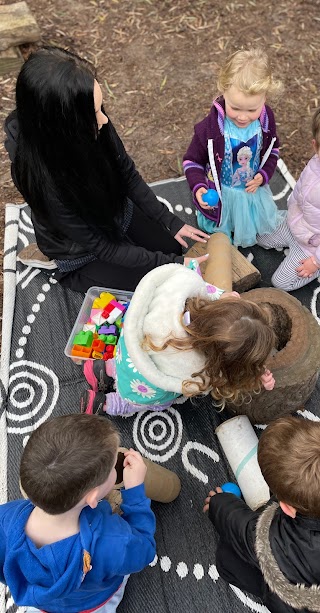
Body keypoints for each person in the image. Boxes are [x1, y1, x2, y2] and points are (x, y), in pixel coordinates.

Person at [4, 46, 209, 293]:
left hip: (113, 212)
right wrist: (173, 264)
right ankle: (62, 268)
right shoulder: (46, 183)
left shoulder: (92, 122)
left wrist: (169, 220)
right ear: (61, 127)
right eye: (94, 113)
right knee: (159, 281)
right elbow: (103, 248)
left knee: (172, 248)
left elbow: (127, 173)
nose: (104, 120)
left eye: (101, 107)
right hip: (82, 249)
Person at [0, 413, 156, 613]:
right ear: (93, 498)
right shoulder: (115, 540)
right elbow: (145, 549)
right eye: (111, 468)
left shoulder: (4, 519)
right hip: (94, 603)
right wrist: (135, 494)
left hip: (42, 604)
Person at [80, 262, 275, 416]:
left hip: (127, 355)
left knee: (124, 365)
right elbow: (227, 378)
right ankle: (106, 404)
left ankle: (104, 369)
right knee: (137, 401)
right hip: (143, 388)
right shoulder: (199, 370)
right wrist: (255, 377)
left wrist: (221, 296)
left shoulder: (178, 297)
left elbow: (199, 287)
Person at [204, 416, 320, 613]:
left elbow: (242, 528)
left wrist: (219, 503)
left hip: (297, 600)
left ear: (288, 508)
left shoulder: (275, 540)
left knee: (229, 560)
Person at [183, 47, 285, 248]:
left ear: (265, 98)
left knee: (253, 226)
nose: (242, 116)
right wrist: (199, 187)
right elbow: (192, 161)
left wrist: (263, 175)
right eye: (235, 108)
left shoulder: (266, 122)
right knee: (220, 230)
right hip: (222, 194)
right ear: (223, 93)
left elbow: (273, 151)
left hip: (250, 192)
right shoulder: (210, 129)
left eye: (251, 109)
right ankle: (223, 229)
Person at [256, 108, 320, 291]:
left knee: (280, 283)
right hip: (295, 225)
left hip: (312, 247)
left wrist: (315, 262)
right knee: (258, 237)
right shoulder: (315, 163)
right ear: (315, 146)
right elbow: (302, 189)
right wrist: (292, 210)